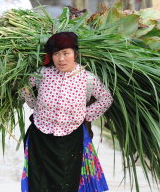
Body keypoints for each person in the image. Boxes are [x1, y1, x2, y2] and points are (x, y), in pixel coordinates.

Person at [20, 32, 113, 192]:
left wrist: (84, 115)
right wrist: (36, 106)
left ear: (75, 54)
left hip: (71, 141)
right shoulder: (42, 73)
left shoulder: (87, 78)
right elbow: (24, 89)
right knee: (39, 184)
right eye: (56, 54)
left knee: (68, 184)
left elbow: (106, 99)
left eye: (66, 53)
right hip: (41, 139)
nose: (61, 59)